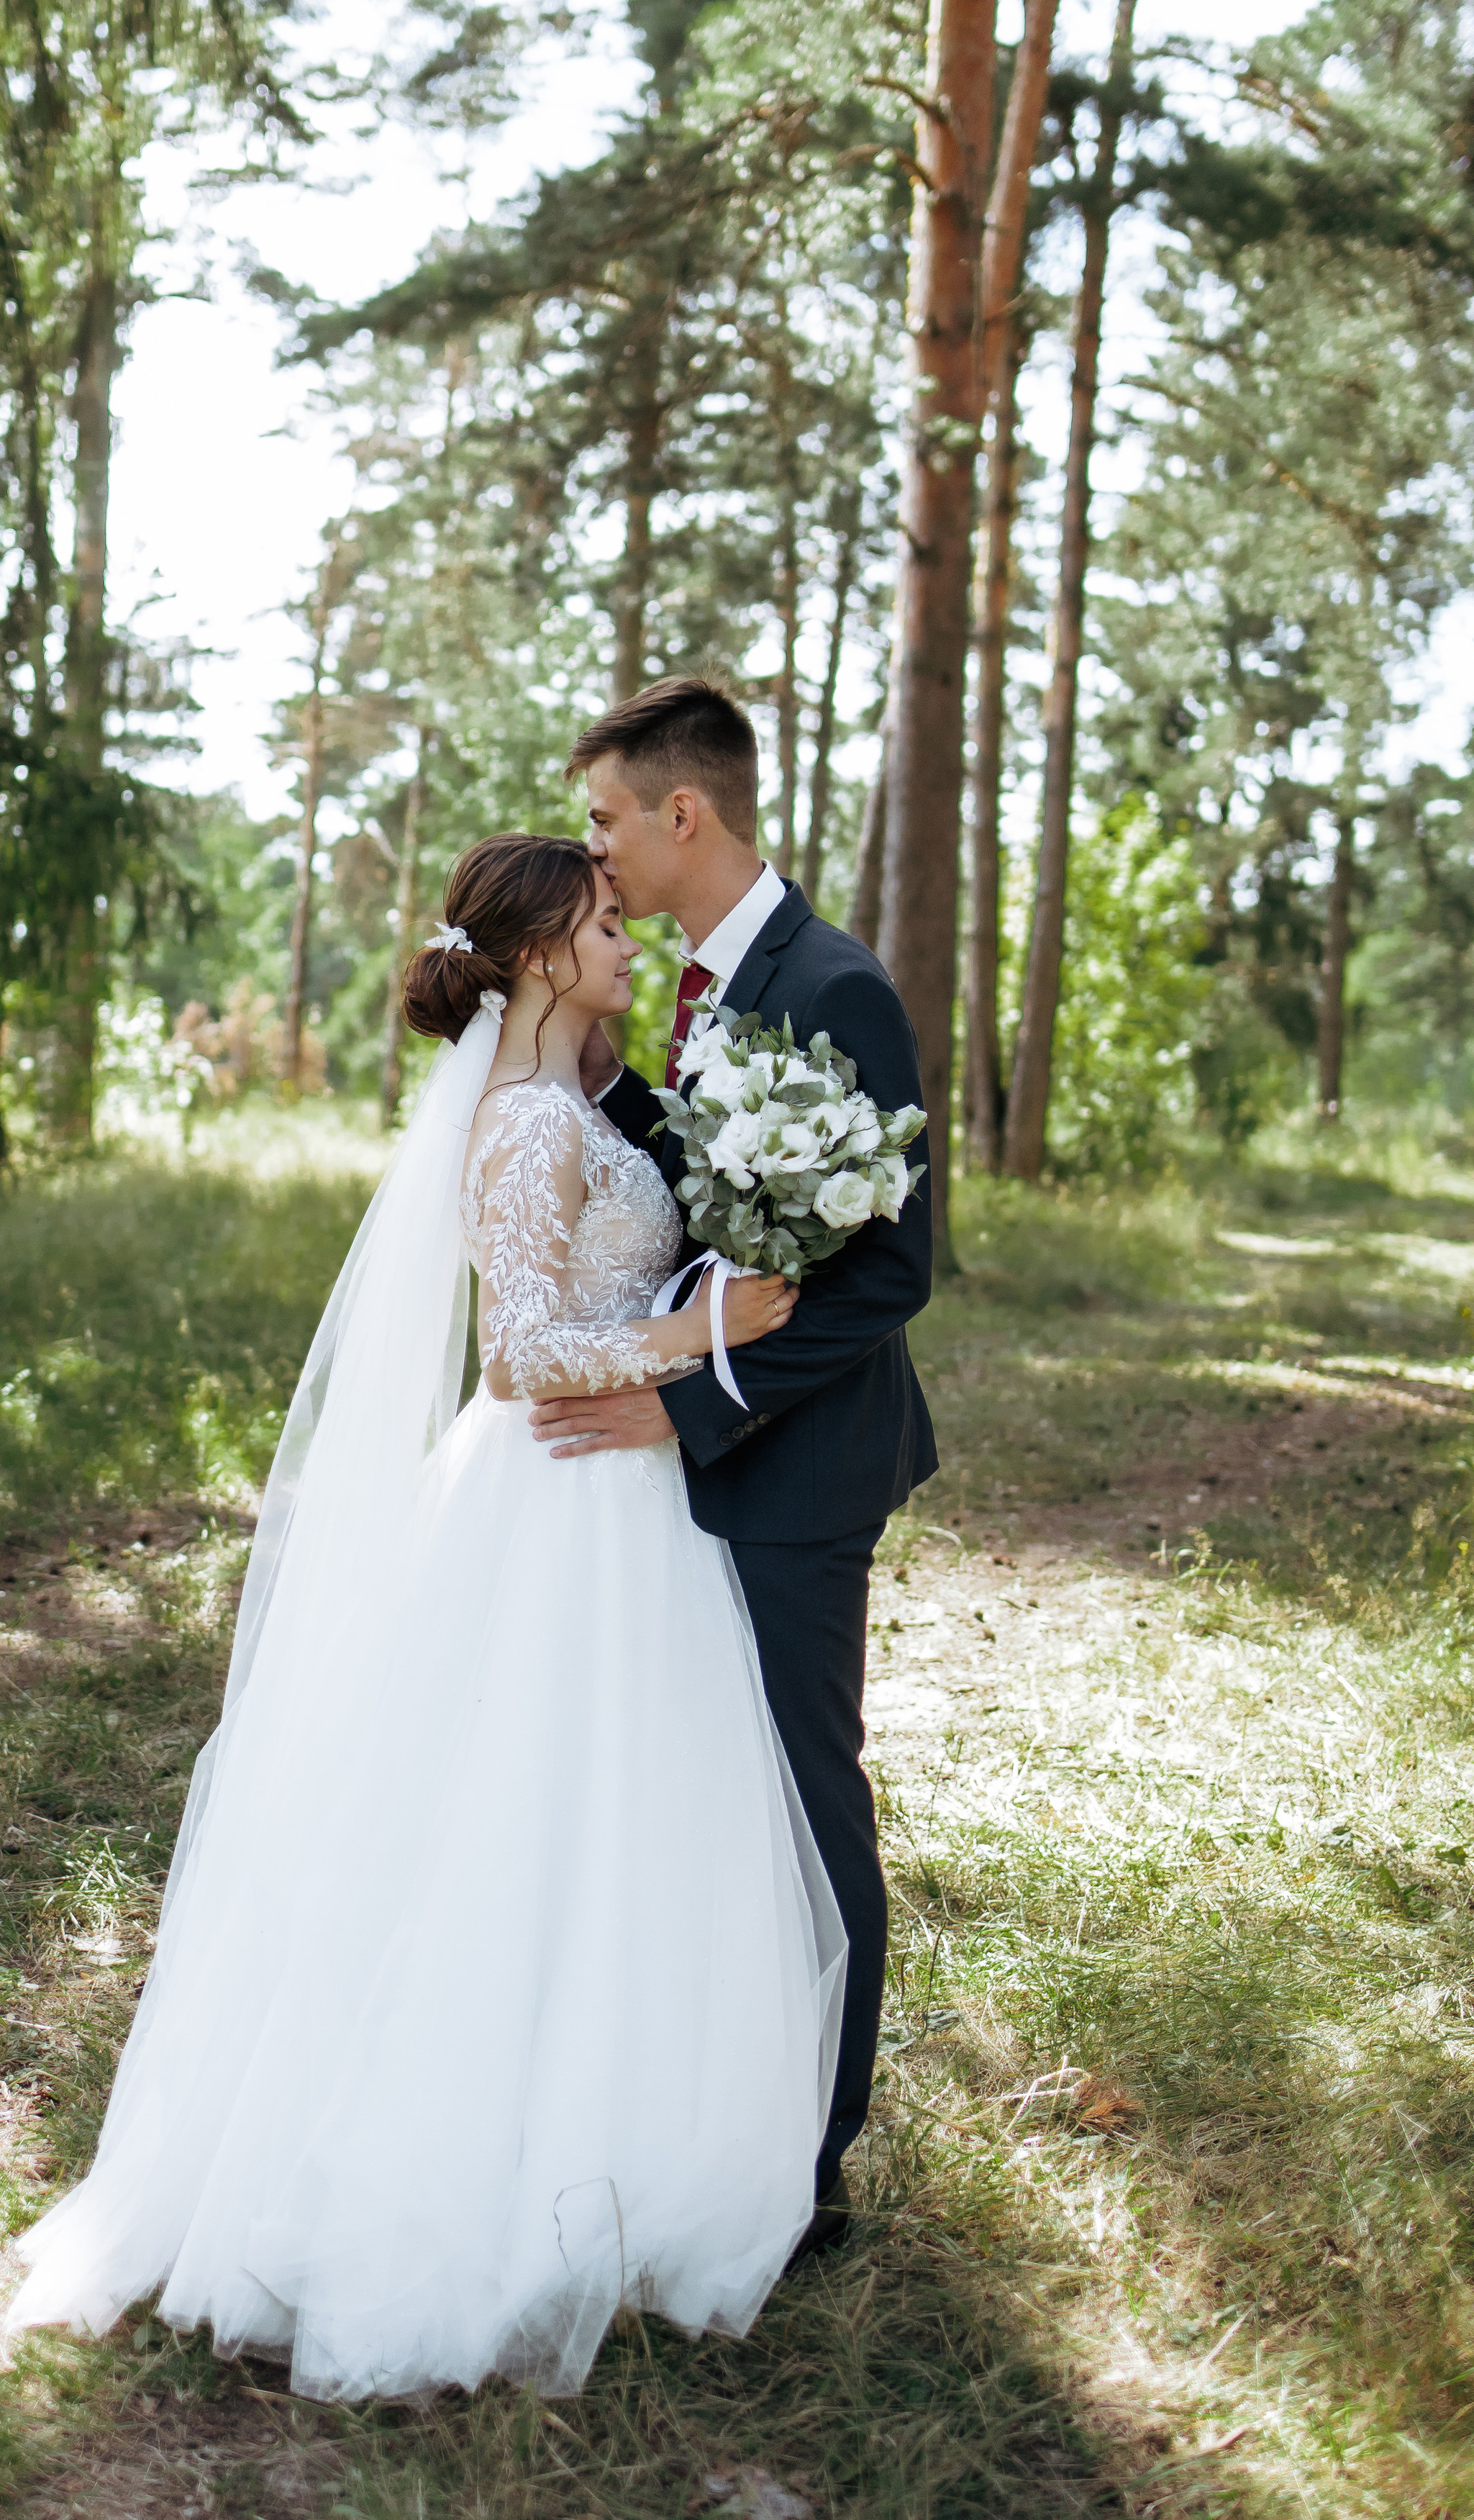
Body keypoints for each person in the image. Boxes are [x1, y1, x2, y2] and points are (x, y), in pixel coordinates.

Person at [6, 833, 846, 2401]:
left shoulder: (577, 1103)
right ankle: (482, 2156)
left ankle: (616, 2126)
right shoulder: (527, 1125)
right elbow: (522, 1350)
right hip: (552, 1497)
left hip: (617, 1507)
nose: (619, 942)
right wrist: (694, 1329)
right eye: (600, 924)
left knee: (611, 1826)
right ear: (535, 956)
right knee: (515, 1823)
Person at [534, 676, 937, 2258]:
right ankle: (714, 2102)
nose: (600, 853)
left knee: (799, 1800)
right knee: (704, 1799)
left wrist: (693, 1404)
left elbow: (891, 1276)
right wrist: (581, 1078)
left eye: (607, 819)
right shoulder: (708, 984)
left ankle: (810, 2168)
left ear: (679, 813)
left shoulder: (832, 985)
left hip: (798, 1469)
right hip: (697, 1460)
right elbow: (714, 1187)